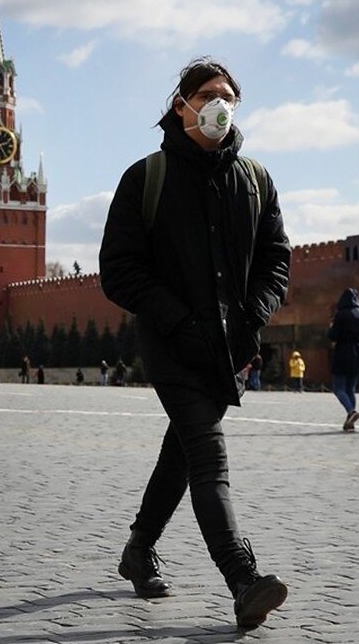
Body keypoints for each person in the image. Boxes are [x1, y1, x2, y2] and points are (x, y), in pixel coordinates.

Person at [99, 57, 292, 628]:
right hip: (173, 346)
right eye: (208, 94)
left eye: (229, 96)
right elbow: (120, 271)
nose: (219, 105)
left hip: (229, 351)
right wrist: (179, 321)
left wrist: (254, 316)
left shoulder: (255, 180)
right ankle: (242, 579)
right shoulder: (147, 178)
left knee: (181, 453)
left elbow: (276, 261)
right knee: (208, 455)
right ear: (181, 104)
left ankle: (138, 550)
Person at [328, 288, 359, 432]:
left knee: (338, 388)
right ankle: (350, 421)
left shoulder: (341, 315)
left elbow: (333, 336)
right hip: (358, 353)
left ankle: (351, 412)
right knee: (351, 388)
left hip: (343, 352)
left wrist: (331, 327)